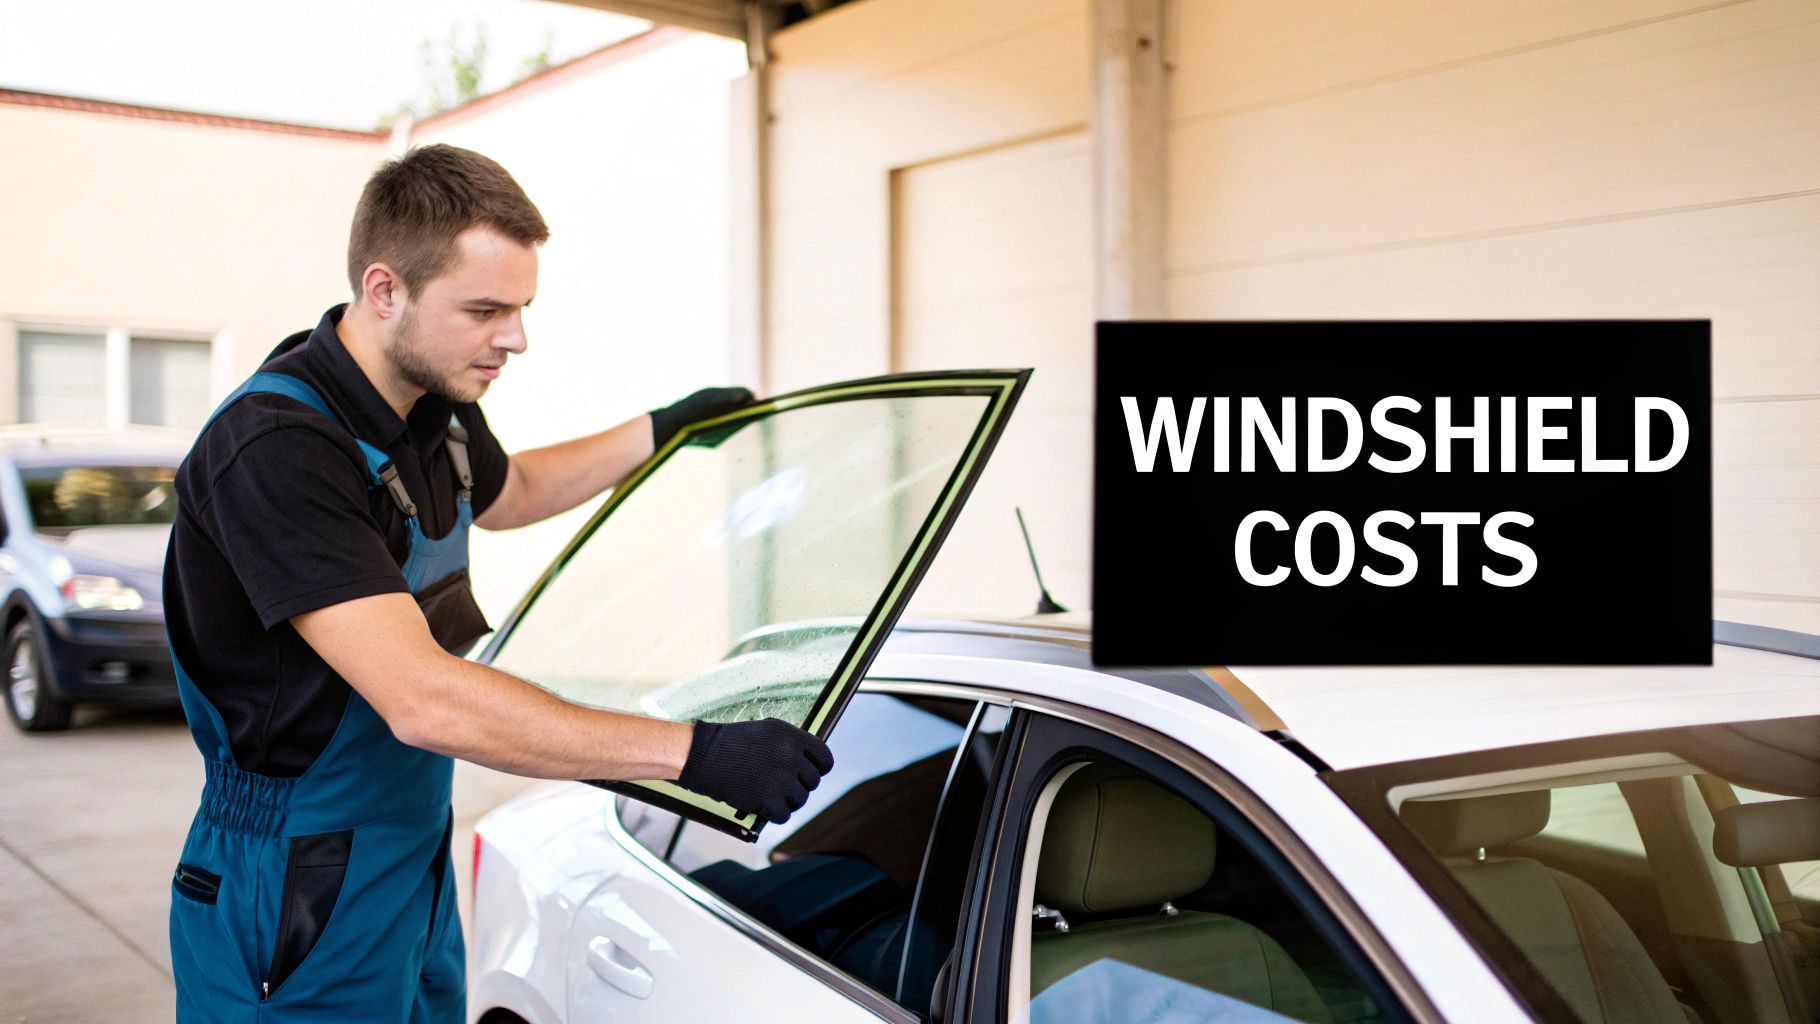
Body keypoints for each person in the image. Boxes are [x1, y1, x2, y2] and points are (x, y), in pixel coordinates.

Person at [163, 144, 833, 1022]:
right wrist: (694, 755)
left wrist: (661, 432)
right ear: (384, 289)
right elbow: (423, 701)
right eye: (485, 310)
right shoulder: (277, 448)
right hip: (290, 875)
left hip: (410, 853)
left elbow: (508, 491)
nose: (514, 338)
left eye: (520, 307)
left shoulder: (430, 402)